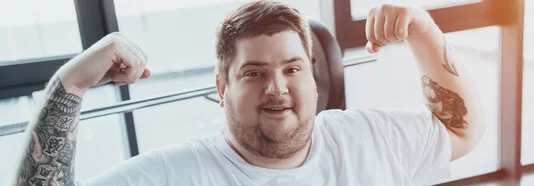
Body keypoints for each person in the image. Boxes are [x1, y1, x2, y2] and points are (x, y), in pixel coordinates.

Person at [13, 1, 485, 185]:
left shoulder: (365, 137)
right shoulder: (175, 175)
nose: (276, 88)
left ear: (312, 76)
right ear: (223, 88)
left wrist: (424, 31)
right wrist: (69, 85)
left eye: (292, 68)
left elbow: (462, 132)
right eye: (254, 73)